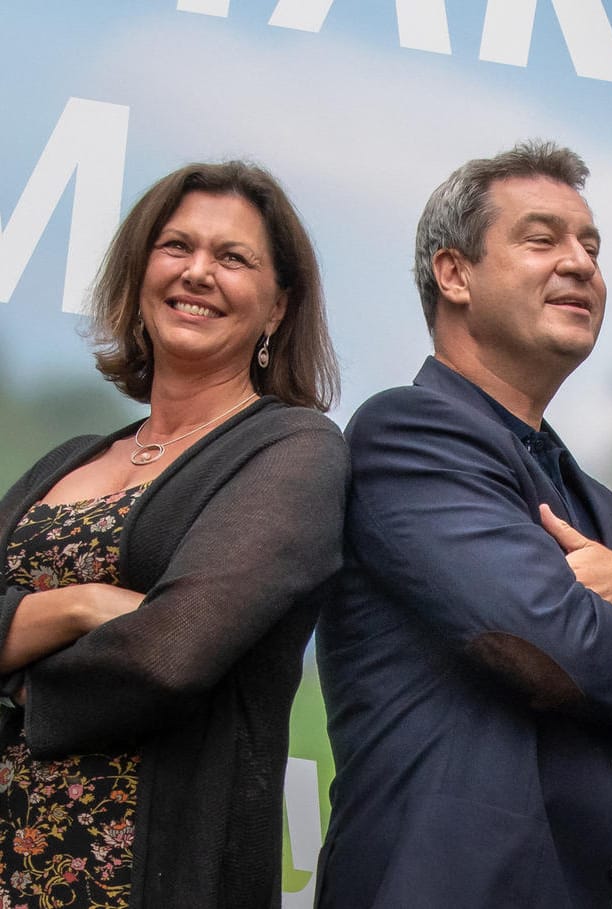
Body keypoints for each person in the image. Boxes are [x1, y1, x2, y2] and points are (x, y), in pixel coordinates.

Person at [315, 140, 612, 909]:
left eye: (591, 245)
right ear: (454, 274)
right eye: (542, 239)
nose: (580, 263)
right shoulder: (409, 434)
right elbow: (552, 649)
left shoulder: (599, 503)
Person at [0, 161, 344, 907]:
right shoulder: (69, 458)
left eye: (232, 258)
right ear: (140, 270)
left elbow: (173, 650)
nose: (197, 272)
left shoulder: (294, 450)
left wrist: (18, 678)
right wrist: (84, 604)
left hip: (148, 872)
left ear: (277, 308)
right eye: (176, 246)